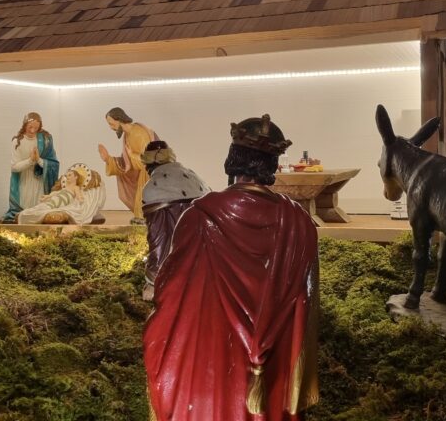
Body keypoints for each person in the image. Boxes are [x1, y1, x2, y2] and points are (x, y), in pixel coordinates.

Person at [144, 115, 320, 420]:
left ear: (232, 159)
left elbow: (171, 292)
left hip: (213, 359)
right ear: (272, 165)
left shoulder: (200, 216)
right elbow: (307, 305)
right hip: (274, 367)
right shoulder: (299, 222)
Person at [139, 140, 209, 301]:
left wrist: (152, 280)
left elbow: (159, 239)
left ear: (147, 165)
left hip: (177, 270)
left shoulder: (153, 189)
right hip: (203, 261)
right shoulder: (196, 179)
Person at [97, 107, 157, 223]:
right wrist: (108, 159)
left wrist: (132, 155)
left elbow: (148, 160)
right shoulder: (127, 135)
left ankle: (147, 217)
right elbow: (126, 163)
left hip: (151, 176)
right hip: (143, 177)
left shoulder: (139, 133)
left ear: (119, 119)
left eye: (111, 124)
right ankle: (142, 217)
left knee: (145, 198)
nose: (111, 127)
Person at [2, 112, 59, 223]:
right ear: (24, 125)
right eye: (30, 127)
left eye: (36, 128)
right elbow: (14, 167)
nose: (33, 131)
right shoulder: (17, 142)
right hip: (24, 181)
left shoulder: (45, 140)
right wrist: (30, 161)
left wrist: (38, 160)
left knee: (39, 208)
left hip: (40, 181)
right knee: (25, 210)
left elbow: (53, 164)